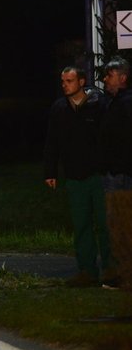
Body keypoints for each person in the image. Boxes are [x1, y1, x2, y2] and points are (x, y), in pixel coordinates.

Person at [42, 65, 111, 287]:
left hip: (98, 174)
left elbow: (109, 137)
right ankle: (87, 271)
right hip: (74, 175)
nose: (65, 85)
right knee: (81, 225)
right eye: (63, 81)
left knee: (104, 223)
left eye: (69, 81)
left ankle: (111, 270)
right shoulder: (59, 108)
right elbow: (52, 142)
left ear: (81, 82)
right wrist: (50, 171)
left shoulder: (98, 105)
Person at [99, 56, 132, 289]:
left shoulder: (125, 103)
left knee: (121, 224)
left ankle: (125, 276)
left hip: (121, 173)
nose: (105, 80)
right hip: (113, 170)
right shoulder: (113, 103)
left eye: (109, 76)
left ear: (122, 78)